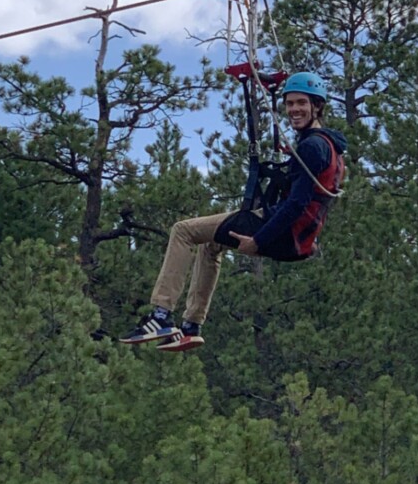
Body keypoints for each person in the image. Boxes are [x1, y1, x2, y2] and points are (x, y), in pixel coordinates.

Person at [120, 71, 347, 352]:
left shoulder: (312, 147)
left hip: (283, 231)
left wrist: (259, 241)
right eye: (289, 104)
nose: (293, 110)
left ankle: (160, 314)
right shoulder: (330, 147)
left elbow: (296, 204)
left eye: (301, 103)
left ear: (317, 106)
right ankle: (191, 325)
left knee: (184, 230)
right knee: (211, 244)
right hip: (299, 240)